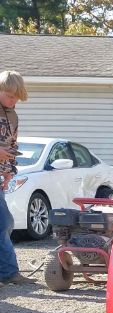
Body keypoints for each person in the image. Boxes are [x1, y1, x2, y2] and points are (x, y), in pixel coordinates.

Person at [0, 70, 35, 286]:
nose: (13, 101)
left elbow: (12, 146)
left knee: (5, 223)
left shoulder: (12, 115)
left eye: (16, 98)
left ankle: (9, 273)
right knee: (4, 222)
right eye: (10, 96)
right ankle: (9, 272)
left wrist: (8, 171)